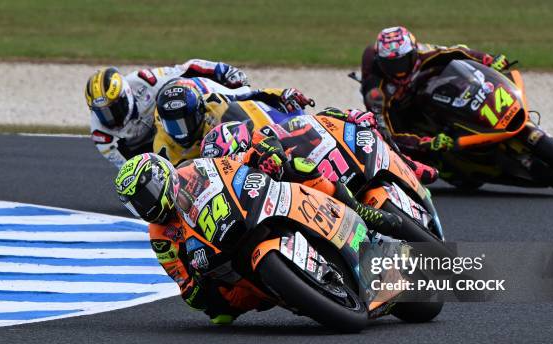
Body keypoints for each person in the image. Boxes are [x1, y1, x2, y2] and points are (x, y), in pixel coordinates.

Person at [198, 110, 439, 235]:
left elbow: (313, 120)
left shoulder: (262, 137)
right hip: (293, 208)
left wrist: (347, 116)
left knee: (300, 166)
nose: (229, 168)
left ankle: (406, 168)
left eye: (229, 159)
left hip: (322, 174)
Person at [114, 153, 269, 325]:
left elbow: (232, 164)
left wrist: (258, 155)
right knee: (216, 309)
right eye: (136, 205)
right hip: (219, 258)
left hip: (240, 215)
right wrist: (196, 283)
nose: (145, 208)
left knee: (284, 167)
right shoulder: (159, 236)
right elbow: (183, 282)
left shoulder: (193, 170)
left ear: (161, 178)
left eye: (146, 197)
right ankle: (270, 293)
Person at [360, 26, 510, 154]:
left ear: (413, 52)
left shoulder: (423, 52)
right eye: (392, 65)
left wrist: (487, 59)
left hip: (419, 87)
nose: (399, 71)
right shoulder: (375, 92)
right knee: (401, 152)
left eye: (403, 62)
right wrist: (426, 143)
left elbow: (456, 51)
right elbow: (386, 134)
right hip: (398, 109)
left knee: (448, 73)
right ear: (381, 63)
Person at [84, 60, 250, 168]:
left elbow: (186, 69)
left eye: (114, 108)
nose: (111, 117)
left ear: (126, 94)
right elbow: (127, 167)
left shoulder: (146, 81)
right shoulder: (101, 134)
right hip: (145, 150)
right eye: (103, 113)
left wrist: (222, 71)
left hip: (171, 123)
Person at [153, 78, 314, 166]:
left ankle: (276, 140)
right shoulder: (163, 149)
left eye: (184, 123)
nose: (181, 132)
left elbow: (247, 95)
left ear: (199, 112)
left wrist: (282, 94)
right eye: (172, 125)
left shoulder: (213, 103)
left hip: (232, 149)